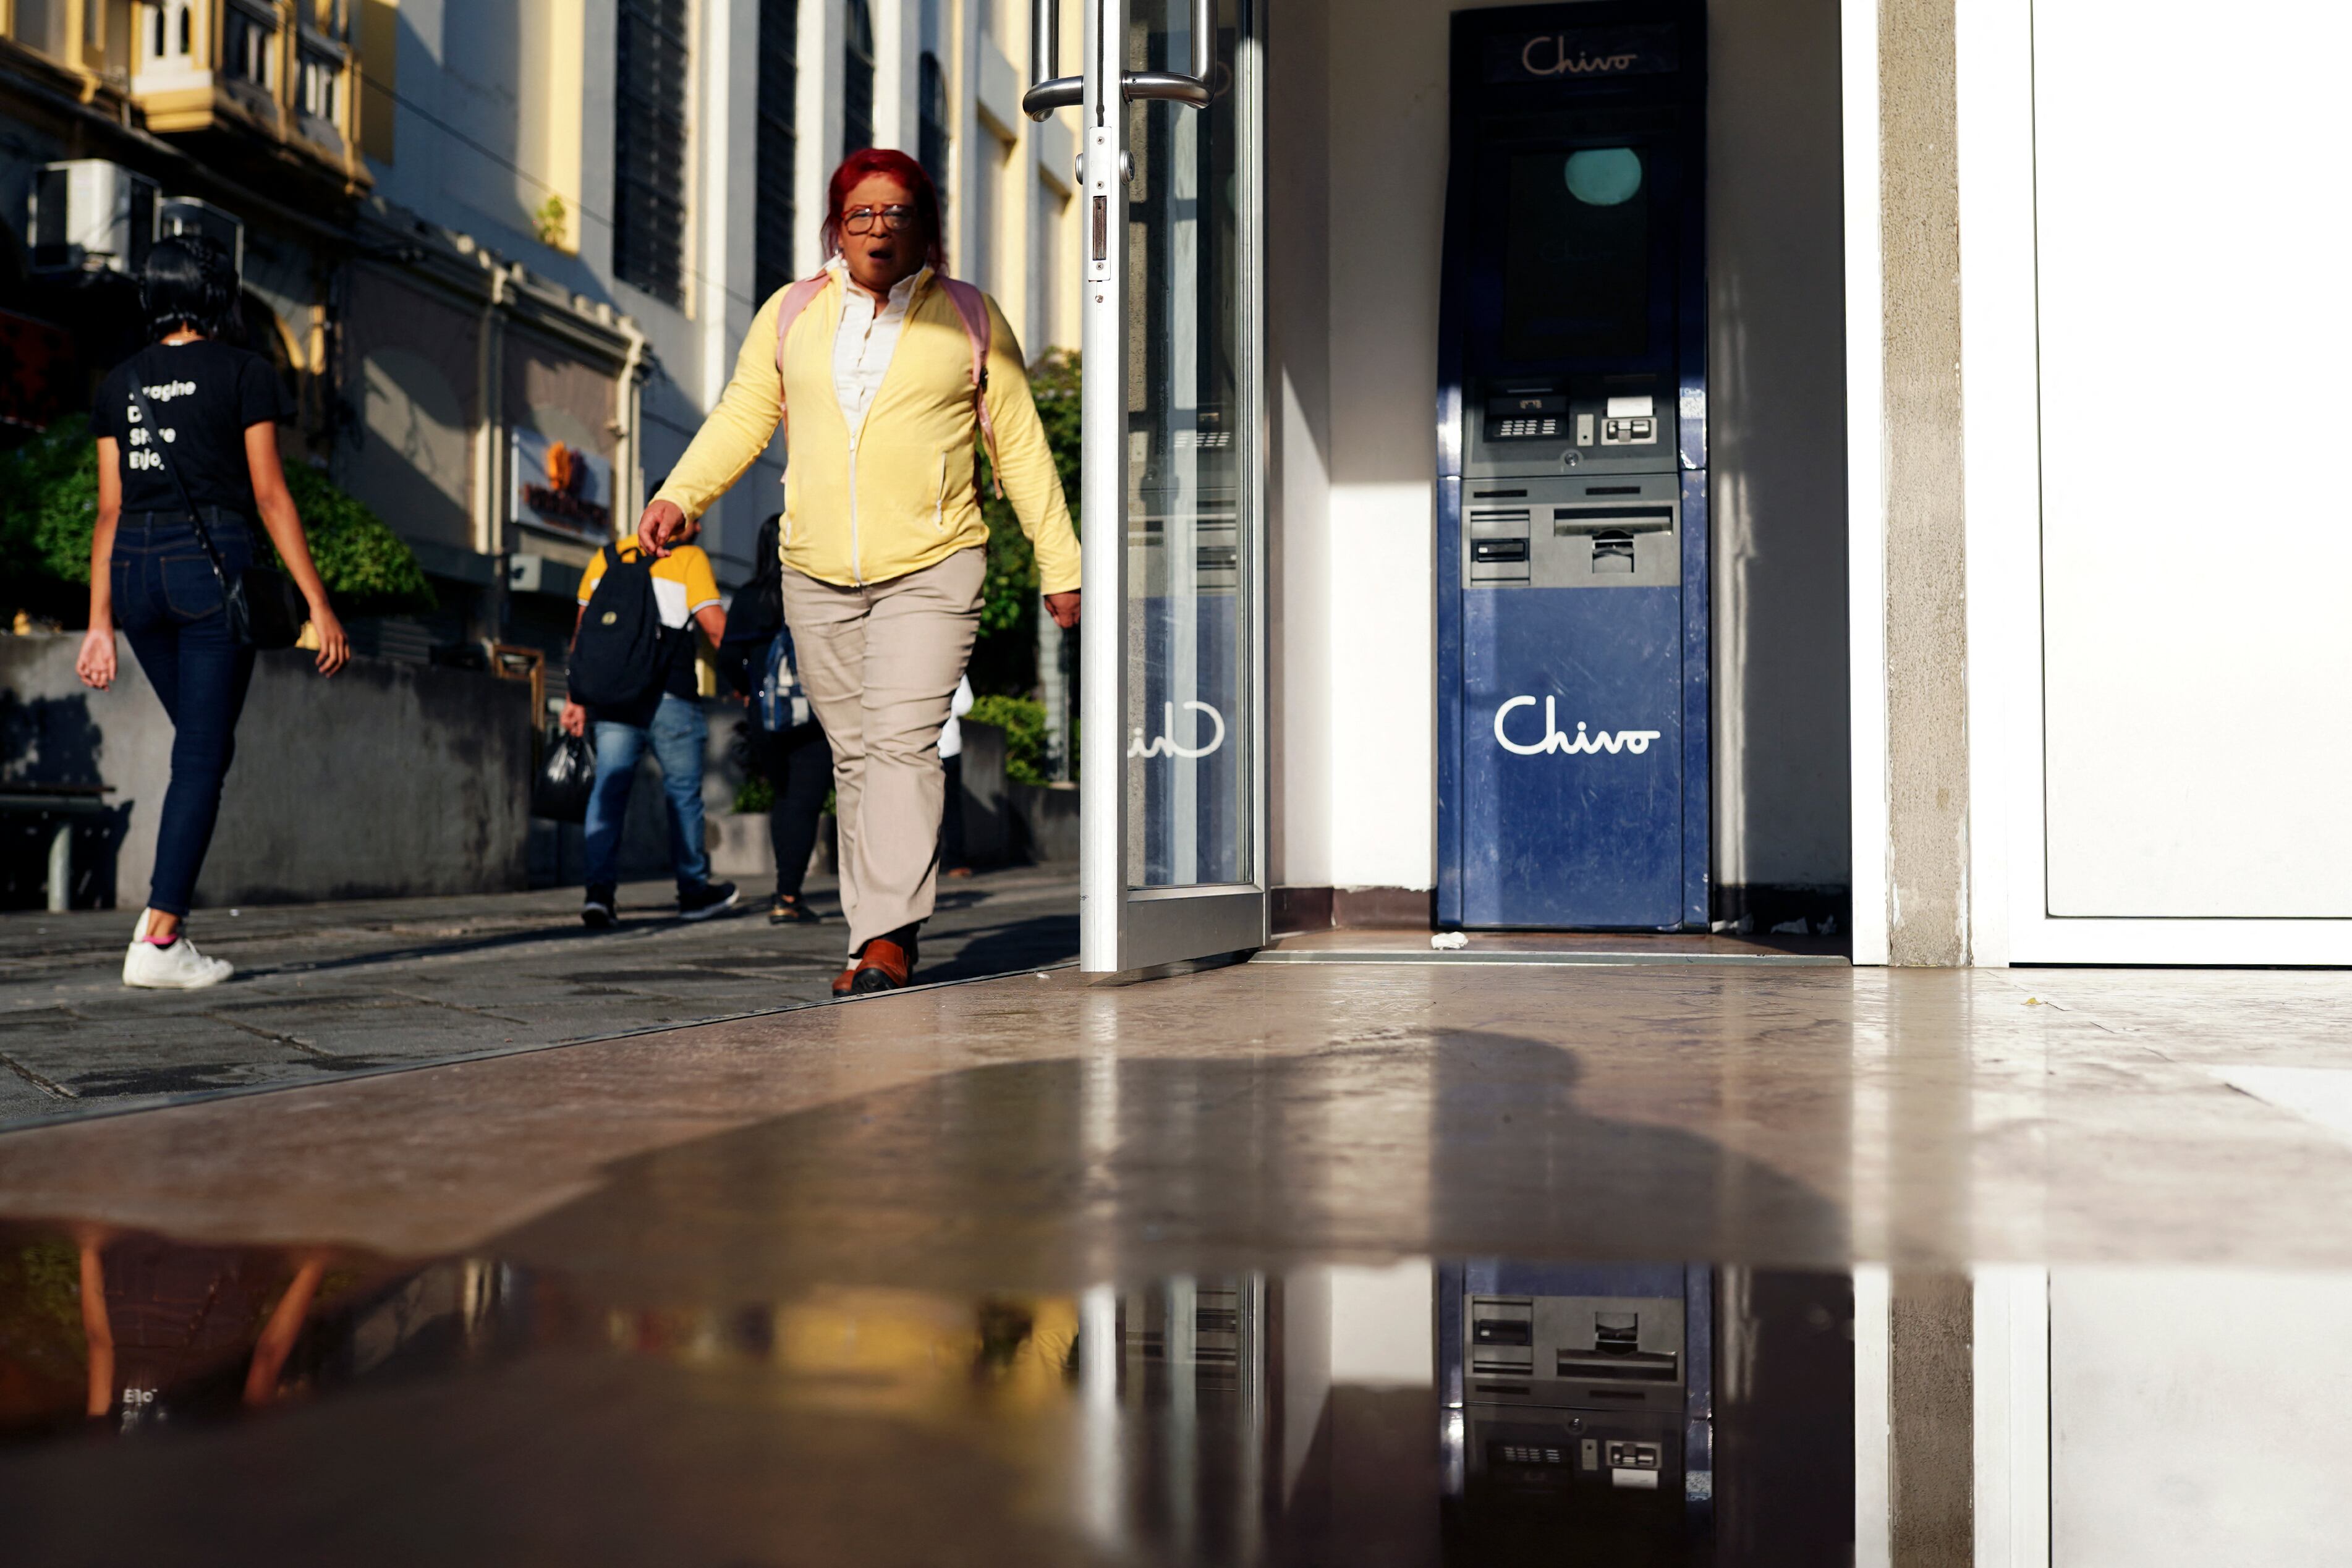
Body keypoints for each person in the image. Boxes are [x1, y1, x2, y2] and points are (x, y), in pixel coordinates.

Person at [635, 148, 1079, 994]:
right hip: (815, 570)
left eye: (897, 213)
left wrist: (1062, 562)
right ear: (836, 225)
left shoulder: (969, 318)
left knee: (903, 744)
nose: (879, 229)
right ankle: (872, 931)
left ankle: (887, 939)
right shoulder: (794, 312)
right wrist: (682, 494)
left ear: (926, 227)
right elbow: (743, 413)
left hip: (936, 562)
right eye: (861, 215)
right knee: (853, 756)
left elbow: (1019, 449)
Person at [75, 235, 350, 991]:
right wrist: (317, 606)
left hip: (134, 576)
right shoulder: (245, 373)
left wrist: (99, 622)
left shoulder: (121, 384)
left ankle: (162, 922)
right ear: (214, 296)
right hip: (209, 570)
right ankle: (161, 938)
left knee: (203, 746)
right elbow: (269, 495)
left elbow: (107, 511)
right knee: (201, 754)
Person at [561, 517, 737, 927]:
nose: (700, 524)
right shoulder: (689, 557)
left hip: (615, 698)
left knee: (608, 791)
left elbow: (583, 633)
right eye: (695, 515)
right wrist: (745, 677)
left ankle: (599, 895)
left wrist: (576, 697)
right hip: (670, 695)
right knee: (682, 795)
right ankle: (693, 891)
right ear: (681, 519)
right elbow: (715, 627)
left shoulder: (606, 556)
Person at [717, 512, 834, 924]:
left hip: (763, 715)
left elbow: (728, 656)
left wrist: (748, 689)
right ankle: (787, 893)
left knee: (783, 800)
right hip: (813, 710)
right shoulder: (814, 589)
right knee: (804, 803)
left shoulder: (749, 596)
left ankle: (785, 891)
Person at [939, 674, 975, 878]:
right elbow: (964, 704)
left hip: (915, 746)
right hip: (948, 743)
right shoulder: (953, 656)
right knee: (951, 805)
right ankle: (955, 861)